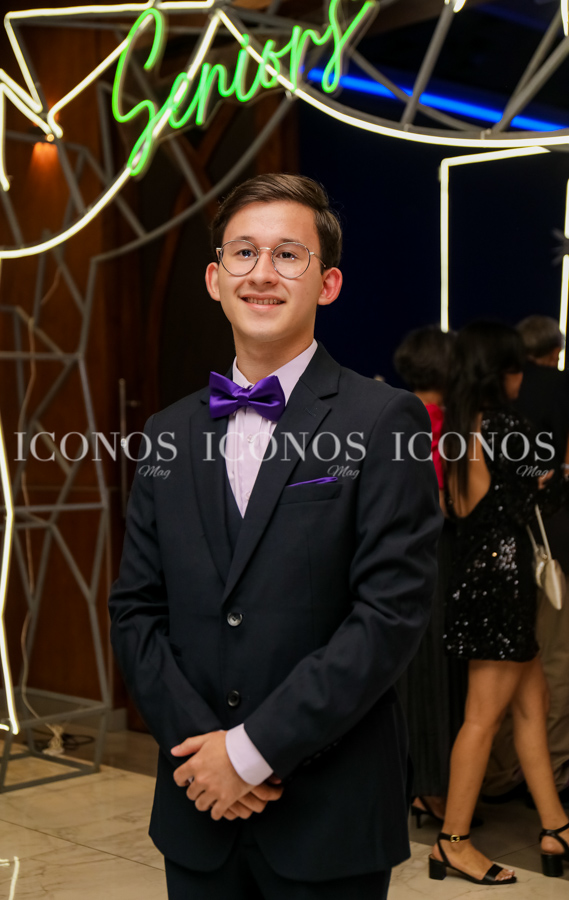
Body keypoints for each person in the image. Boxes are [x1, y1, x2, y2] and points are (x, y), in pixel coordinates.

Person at [108, 173, 442, 899]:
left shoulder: (384, 420)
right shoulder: (167, 431)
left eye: (288, 255)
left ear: (327, 283)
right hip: (197, 806)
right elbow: (135, 609)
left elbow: (388, 616)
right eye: (243, 253)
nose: (262, 273)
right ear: (214, 279)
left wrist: (251, 752)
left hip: (329, 819)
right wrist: (206, 757)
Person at [431, 321, 569, 885]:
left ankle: (555, 826)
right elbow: (539, 500)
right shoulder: (509, 428)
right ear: (501, 372)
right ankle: (452, 842)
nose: (522, 378)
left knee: (532, 706)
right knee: (482, 719)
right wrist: (560, 475)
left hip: (475, 579)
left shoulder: (457, 429)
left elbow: (459, 508)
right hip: (505, 586)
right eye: (516, 368)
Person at [484, 315, 569, 802]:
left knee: (500, 668)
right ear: (554, 351)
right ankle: (552, 772)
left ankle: (500, 773)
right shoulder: (559, 387)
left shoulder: (486, 403)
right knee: (553, 658)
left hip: (495, 551)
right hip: (552, 542)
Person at [394, 326, 468, 827]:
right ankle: (432, 788)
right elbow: (443, 504)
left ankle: (416, 783)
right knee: (435, 675)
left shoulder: (394, 412)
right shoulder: (438, 421)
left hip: (395, 555)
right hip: (434, 554)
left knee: (409, 672)